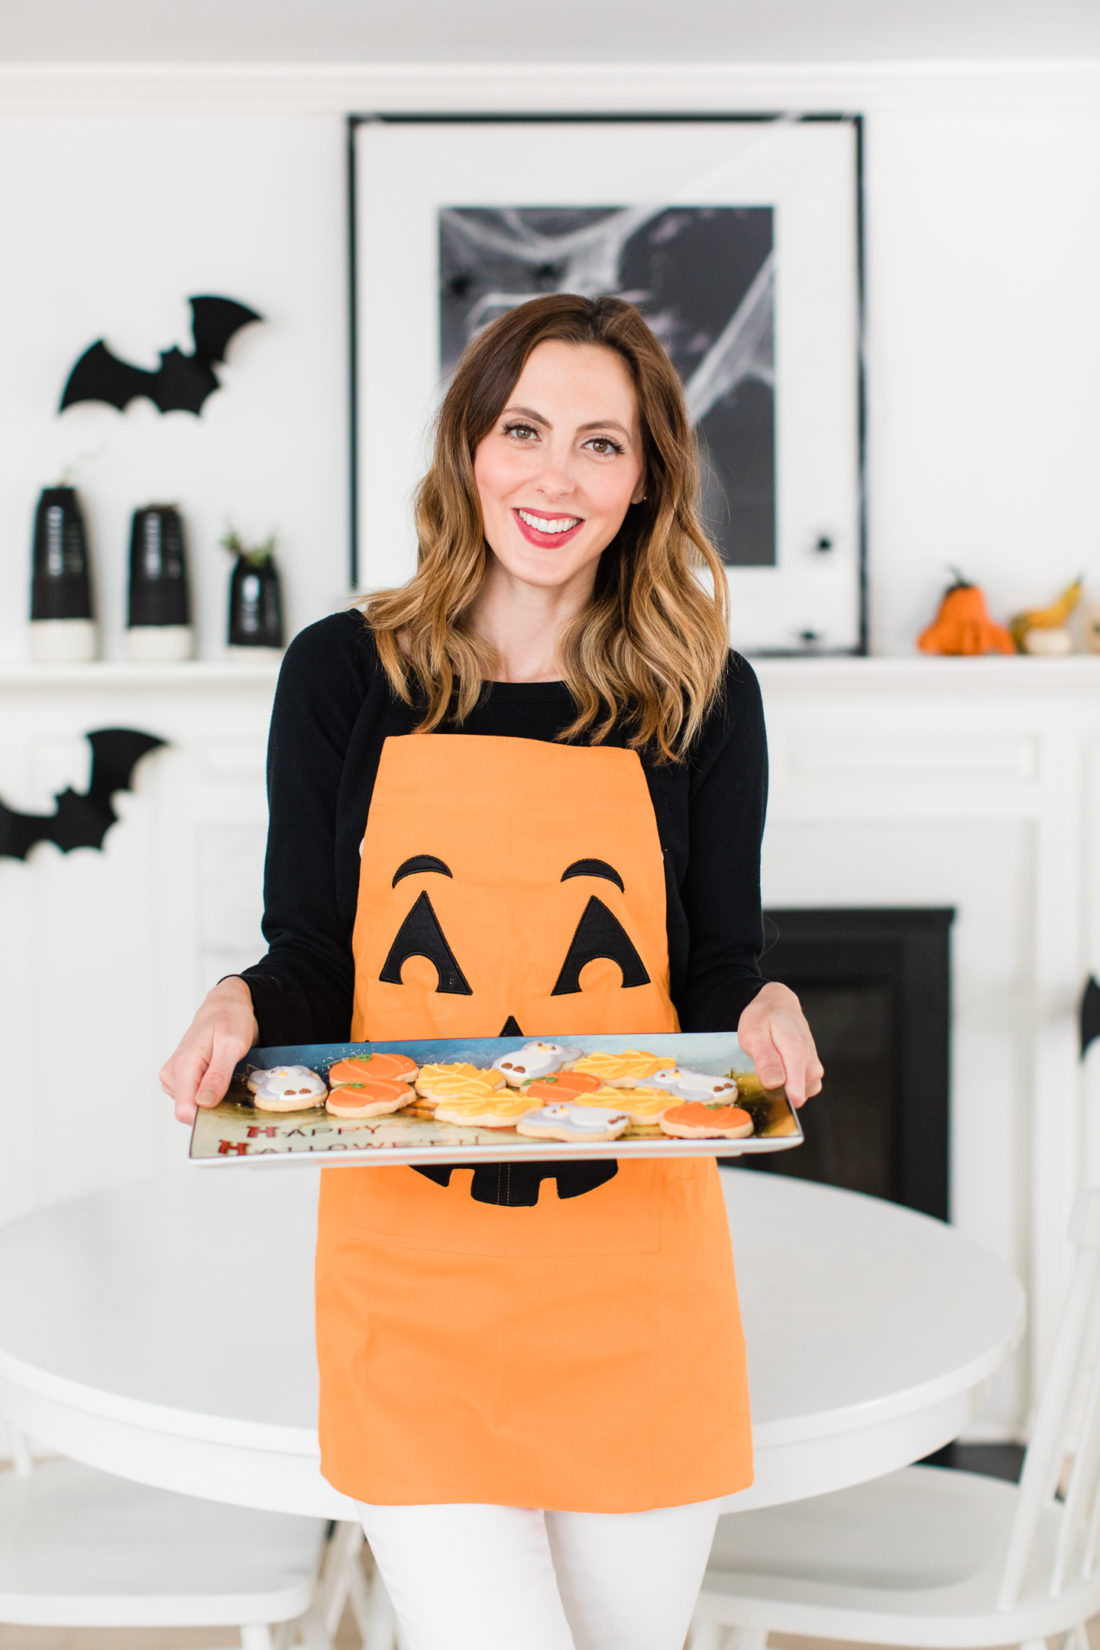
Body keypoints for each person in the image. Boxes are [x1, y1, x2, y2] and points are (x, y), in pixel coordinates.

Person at [161, 292, 823, 1650]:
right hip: (414, 1272)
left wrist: (759, 1007)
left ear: (645, 483)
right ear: (471, 446)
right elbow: (311, 965)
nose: (554, 475)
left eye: (601, 443)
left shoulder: (702, 693)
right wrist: (240, 1004)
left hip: (636, 1276)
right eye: (524, 429)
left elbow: (715, 970)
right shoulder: (347, 674)